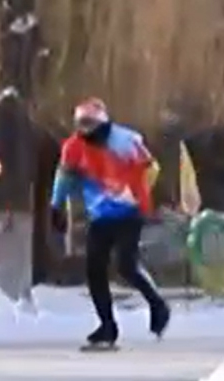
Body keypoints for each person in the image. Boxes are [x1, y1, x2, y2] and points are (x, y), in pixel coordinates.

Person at [50, 97, 169, 350]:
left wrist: (139, 192)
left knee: (126, 265)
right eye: (81, 125)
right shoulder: (73, 147)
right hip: (100, 215)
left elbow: (151, 168)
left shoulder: (125, 141)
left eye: (91, 124)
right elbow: (64, 177)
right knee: (94, 269)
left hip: (129, 212)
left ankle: (157, 304)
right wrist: (56, 206)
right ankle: (107, 325)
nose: (86, 131)